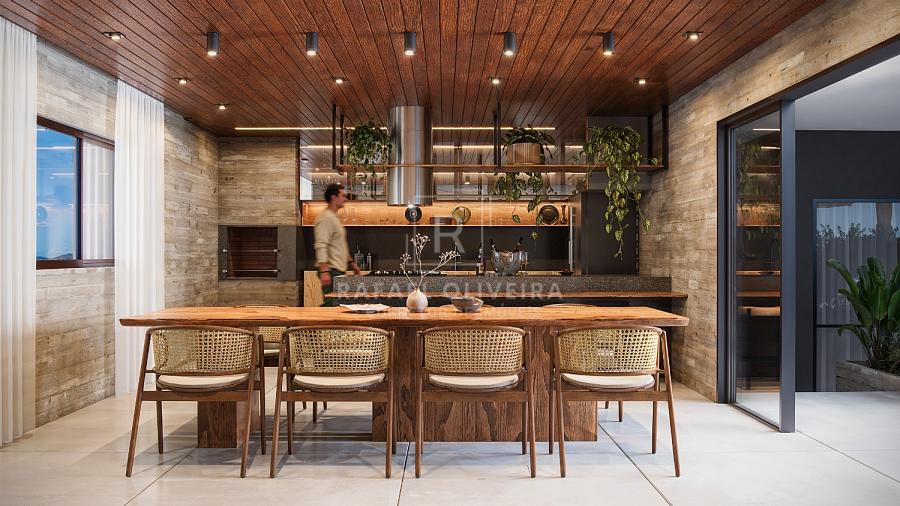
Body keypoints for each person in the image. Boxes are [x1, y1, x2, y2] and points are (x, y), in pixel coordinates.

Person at [314, 183, 360, 306]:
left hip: (337, 272)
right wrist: (324, 271)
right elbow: (321, 245)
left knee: (336, 304)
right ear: (333, 197)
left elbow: (340, 245)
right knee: (331, 305)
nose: (345, 199)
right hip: (331, 271)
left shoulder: (333, 218)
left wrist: (352, 263)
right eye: (342, 195)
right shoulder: (325, 218)